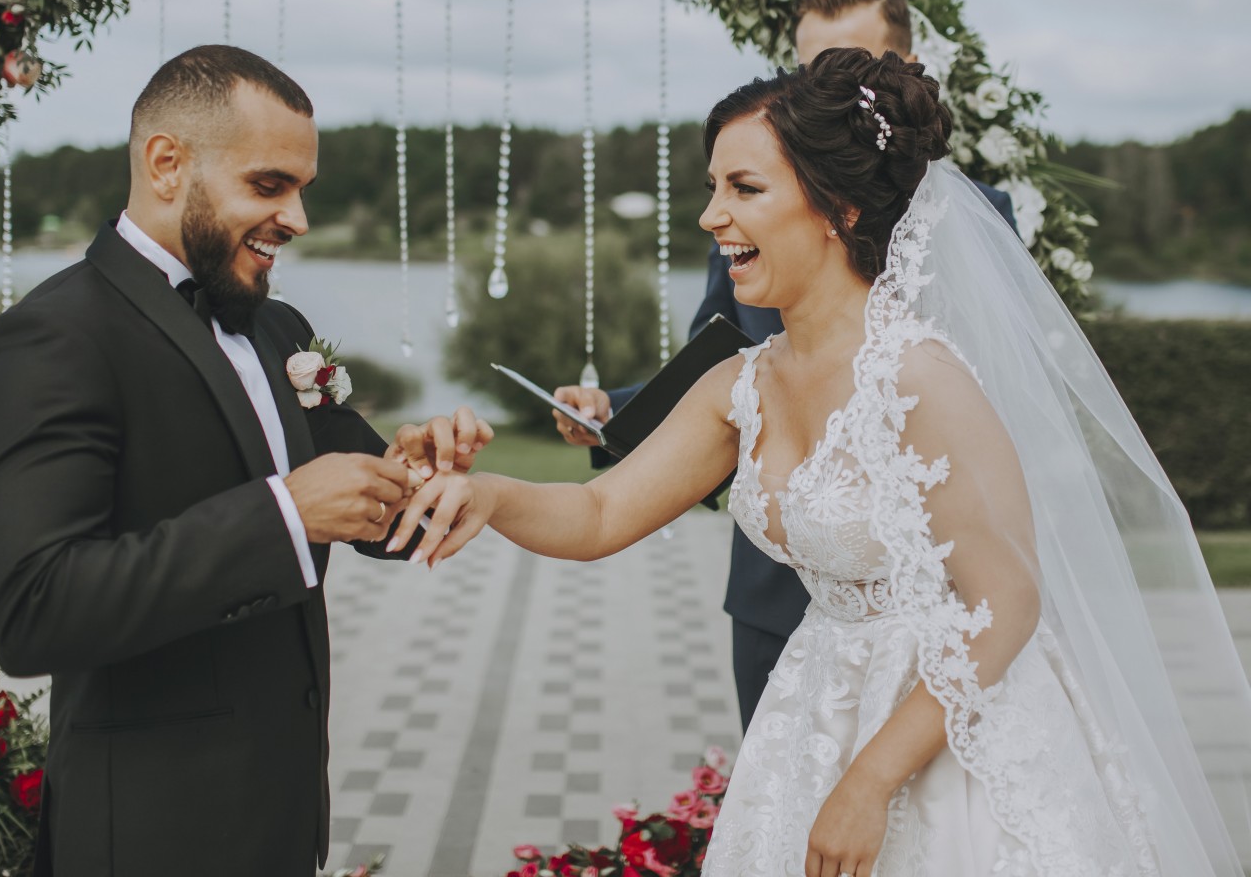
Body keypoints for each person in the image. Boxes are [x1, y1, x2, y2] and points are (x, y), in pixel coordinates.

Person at [399, 48, 1250, 875]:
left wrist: (872, 780)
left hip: (949, 735)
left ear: (839, 208)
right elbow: (600, 515)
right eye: (712, 188)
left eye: (744, 188)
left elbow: (1008, 601)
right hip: (816, 714)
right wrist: (490, 495)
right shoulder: (740, 384)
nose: (711, 217)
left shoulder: (920, 377)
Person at [0, 45, 490, 877]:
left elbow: (352, 498)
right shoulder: (53, 338)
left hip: (280, 820)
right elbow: (34, 610)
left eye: (302, 189)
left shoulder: (276, 327)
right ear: (167, 164)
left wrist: (414, 472)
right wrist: (285, 516)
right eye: (269, 185)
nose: (298, 219)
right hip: (147, 837)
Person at [550, 0, 1016, 733]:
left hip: (930, 589)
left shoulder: (974, 223)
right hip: (773, 584)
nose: (816, 86)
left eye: (844, 62)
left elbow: (988, 396)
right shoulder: (755, 215)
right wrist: (615, 415)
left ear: (904, 65)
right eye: (806, 67)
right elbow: (716, 365)